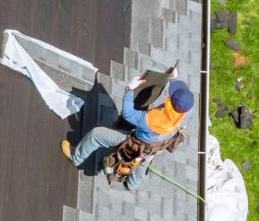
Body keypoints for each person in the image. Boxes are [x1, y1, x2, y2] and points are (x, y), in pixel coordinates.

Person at [61, 73, 194, 188]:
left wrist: (130, 89)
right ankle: (131, 184)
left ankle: (76, 158)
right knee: (143, 160)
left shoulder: (151, 120)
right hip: (156, 148)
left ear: (170, 103)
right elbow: (182, 99)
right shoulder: (187, 112)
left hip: (136, 143)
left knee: (96, 135)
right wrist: (174, 77)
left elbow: (128, 114)